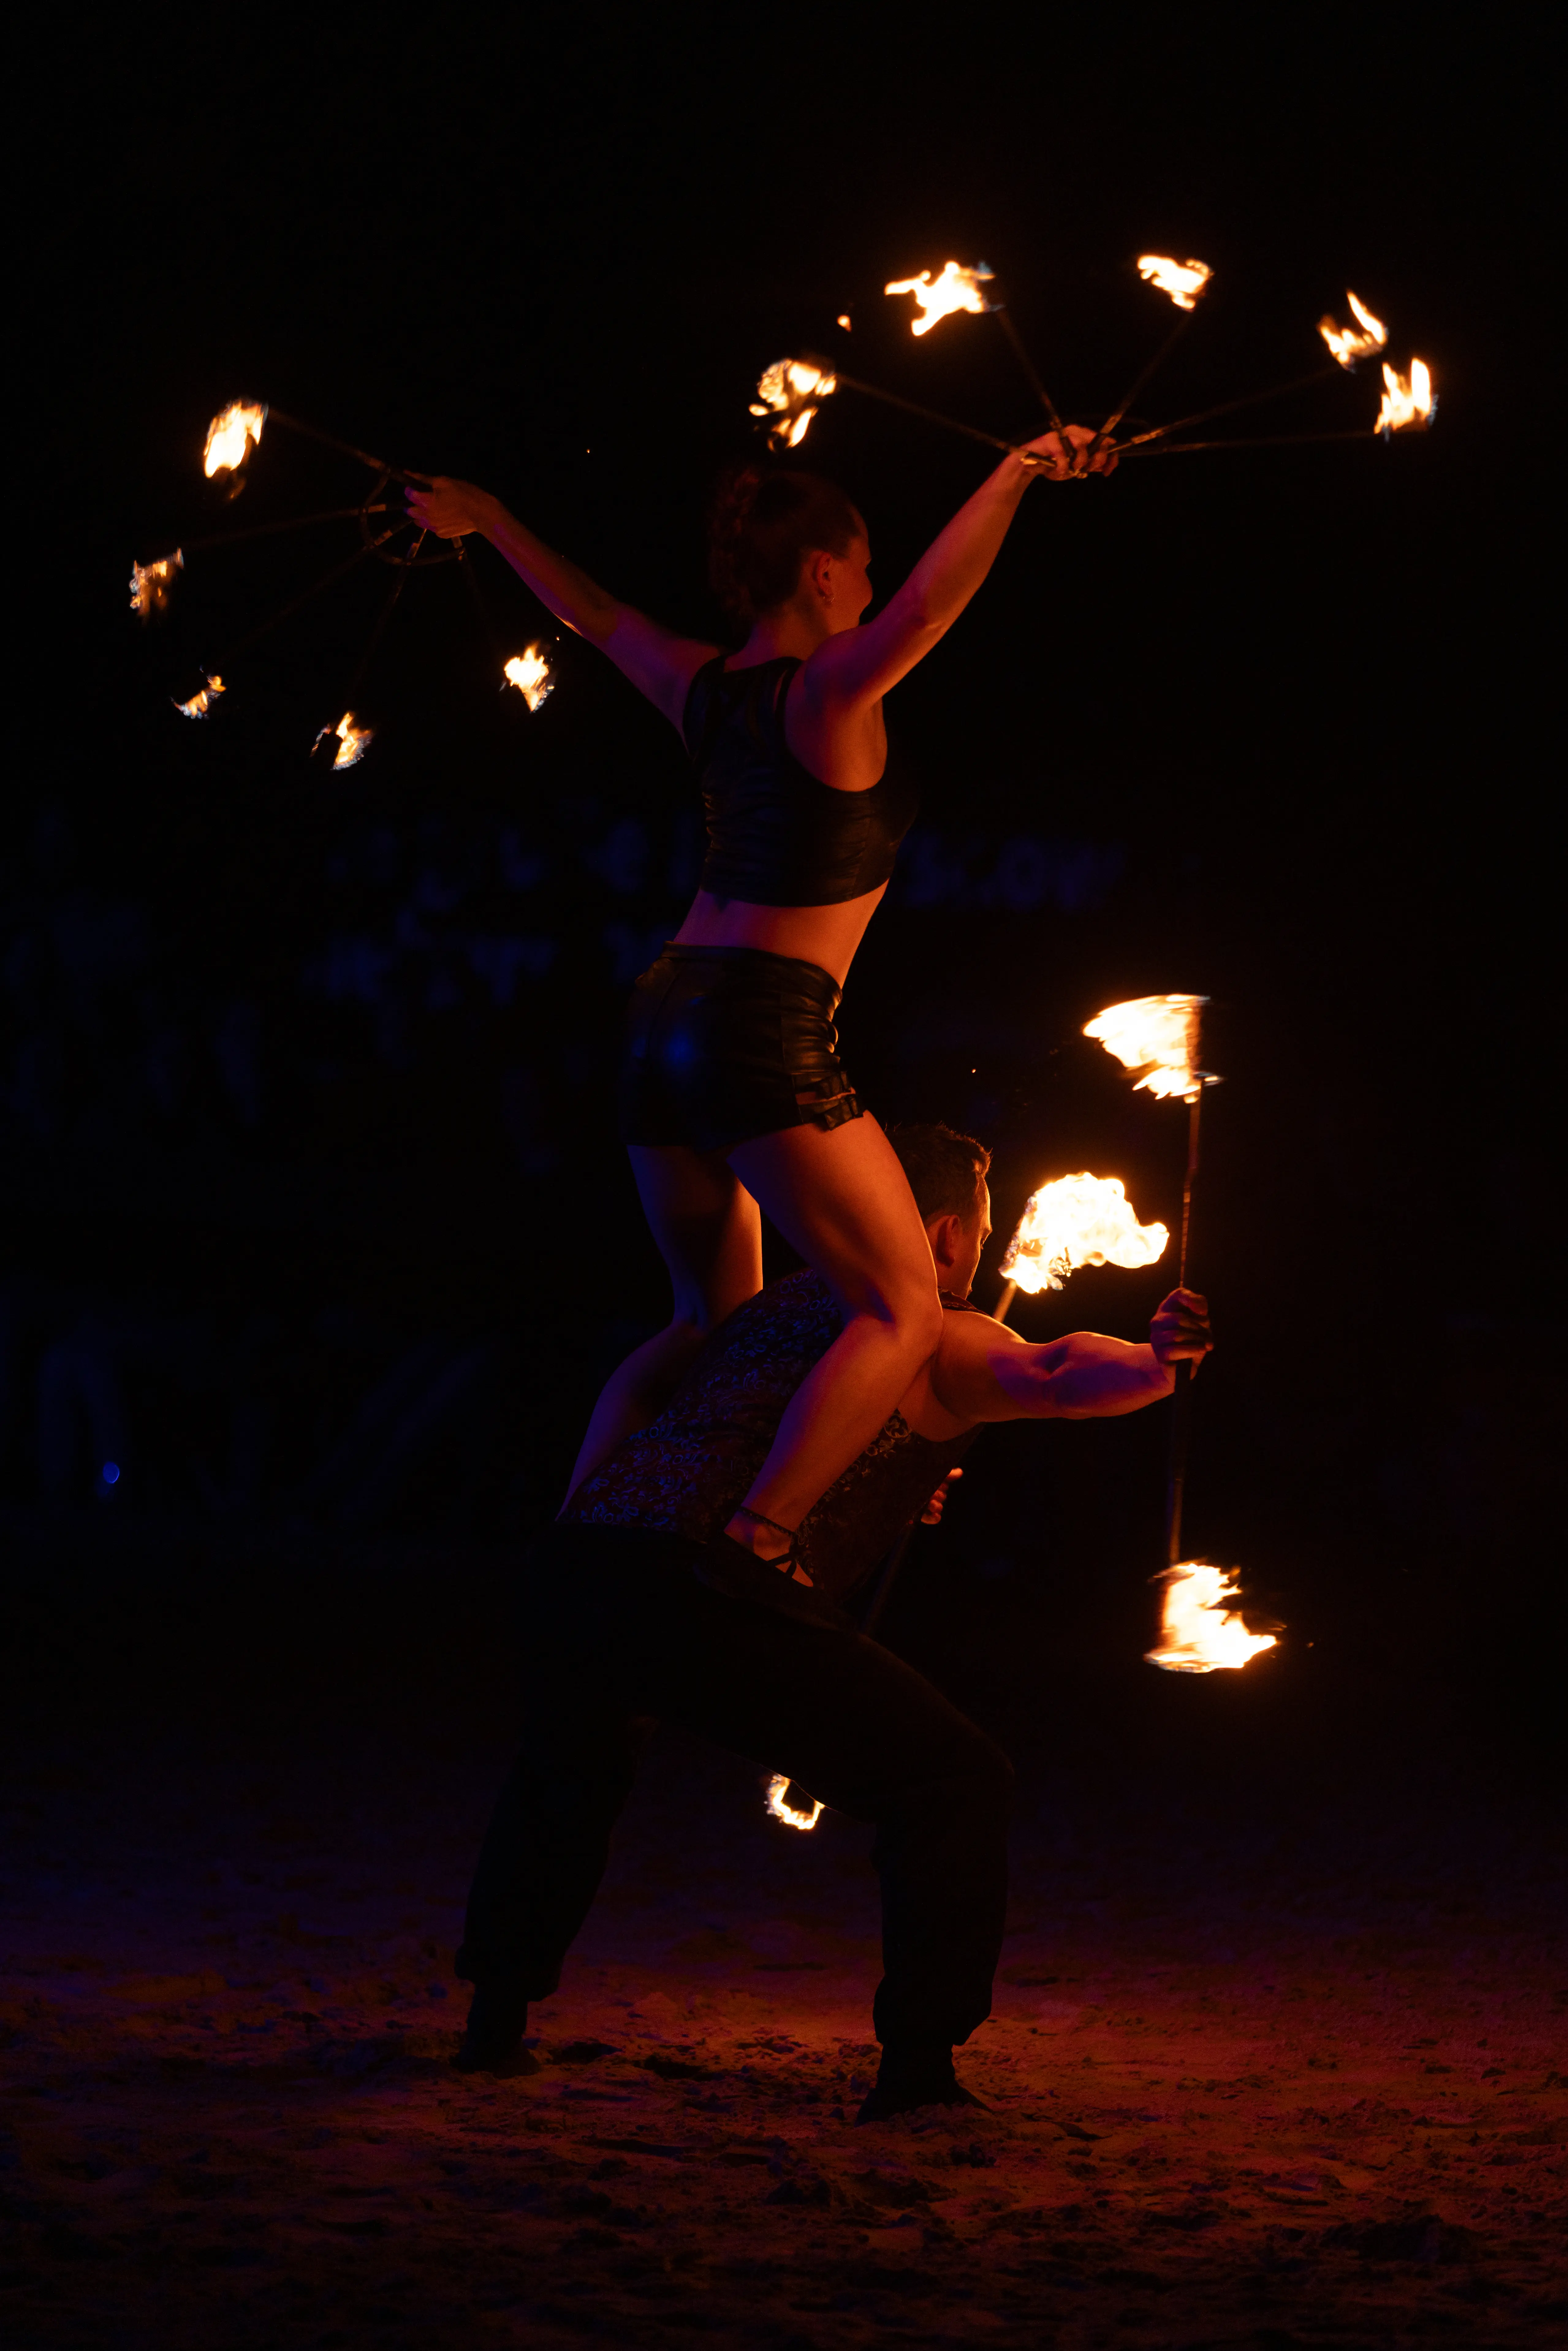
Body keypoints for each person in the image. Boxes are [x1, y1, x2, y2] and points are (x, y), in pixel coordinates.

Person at [404, 433, 1117, 1583]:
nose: (877, 587)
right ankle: (758, 1544)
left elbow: (594, 615)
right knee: (900, 1311)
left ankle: (577, 1540)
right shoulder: (832, 689)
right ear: (825, 573)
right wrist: (1017, 474)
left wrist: (490, 516)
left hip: (661, 1018)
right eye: (866, 565)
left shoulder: (700, 686)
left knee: (705, 1324)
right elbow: (930, 610)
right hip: (760, 1024)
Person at [452, 1123, 1212, 2121]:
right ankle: (919, 2074)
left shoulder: (768, 1312)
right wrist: (1160, 1364)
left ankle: (492, 2026)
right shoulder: (931, 1322)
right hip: (702, 1586)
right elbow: (1055, 1373)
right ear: (942, 1236)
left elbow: (663, 1395)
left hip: (580, 1568)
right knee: (954, 1780)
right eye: (979, 1235)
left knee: (567, 1775)